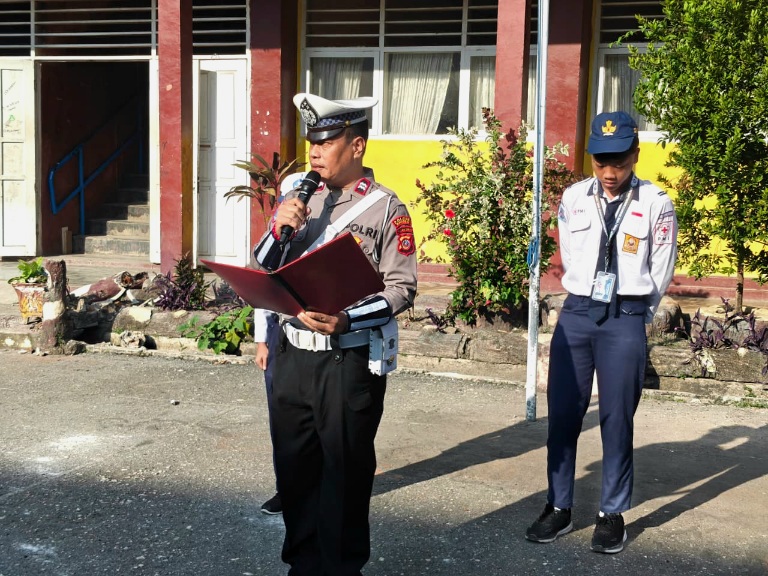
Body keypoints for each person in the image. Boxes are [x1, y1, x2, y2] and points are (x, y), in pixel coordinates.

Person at [252, 92, 417, 575]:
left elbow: (402, 287)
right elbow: (264, 270)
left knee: (343, 477)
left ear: (358, 145)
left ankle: (342, 569)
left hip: (347, 361)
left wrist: (348, 319)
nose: (316, 152)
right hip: (292, 358)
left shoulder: (387, 209)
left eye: (327, 142)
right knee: (296, 471)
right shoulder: (296, 199)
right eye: (312, 142)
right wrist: (278, 227)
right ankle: (301, 565)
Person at [525, 111, 678, 554]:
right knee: (564, 416)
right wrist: (586, 298)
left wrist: (634, 312)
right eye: (600, 162)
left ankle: (611, 513)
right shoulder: (573, 198)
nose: (610, 173)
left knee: (616, 418)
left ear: (635, 154)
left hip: (625, 315)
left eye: (619, 162)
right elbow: (570, 253)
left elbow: (661, 267)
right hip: (576, 314)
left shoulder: (655, 203)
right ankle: (559, 505)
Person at [255, 173, 308, 517]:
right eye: (286, 202)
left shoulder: (324, 236)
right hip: (279, 335)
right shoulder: (275, 238)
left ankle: (321, 489)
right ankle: (286, 490)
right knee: (282, 419)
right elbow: (262, 291)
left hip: (321, 334)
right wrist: (261, 340)